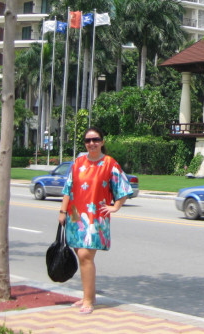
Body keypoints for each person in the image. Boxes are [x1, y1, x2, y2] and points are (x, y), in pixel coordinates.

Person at [59, 127, 133, 314]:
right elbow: (68, 188)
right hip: (75, 215)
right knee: (82, 256)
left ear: (102, 142)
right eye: (88, 140)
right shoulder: (78, 162)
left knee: (85, 255)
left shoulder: (109, 164)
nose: (92, 143)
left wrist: (116, 206)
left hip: (95, 218)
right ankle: (88, 296)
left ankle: (88, 301)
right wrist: (62, 211)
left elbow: (123, 187)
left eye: (96, 140)